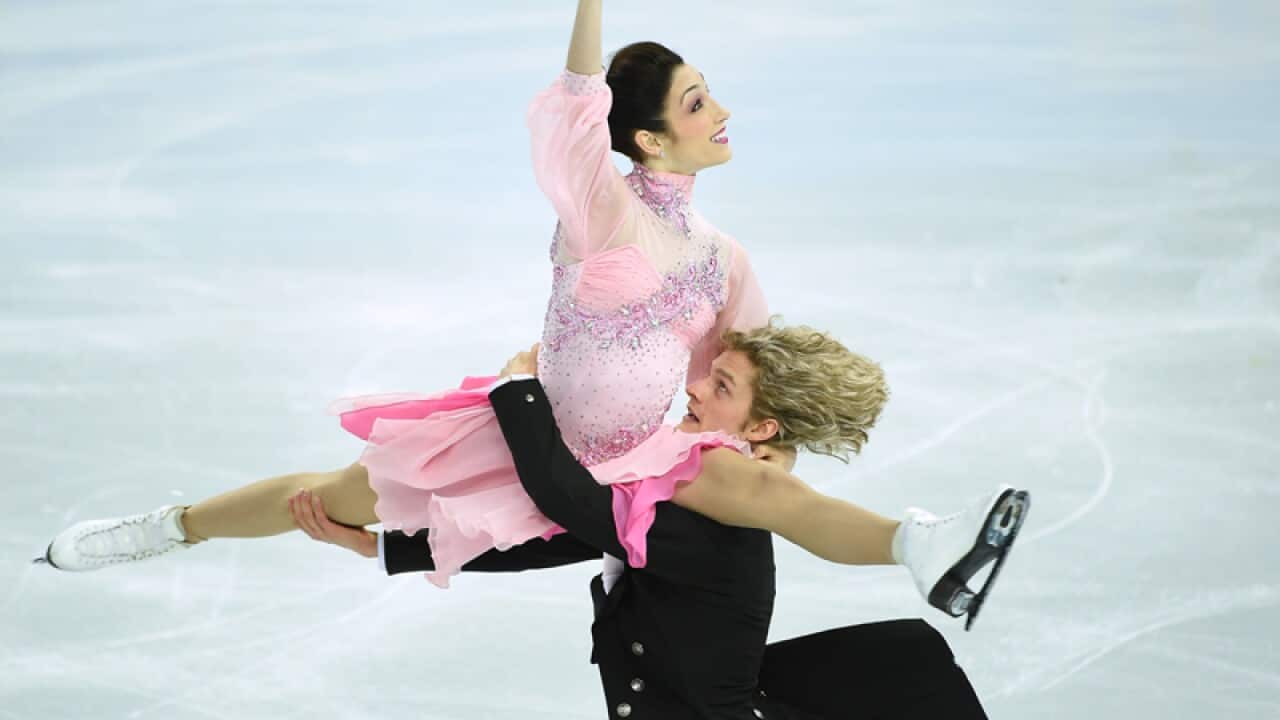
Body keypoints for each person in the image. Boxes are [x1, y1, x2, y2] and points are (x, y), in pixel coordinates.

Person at [38, 0, 1026, 624]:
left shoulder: (724, 260)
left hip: (643, 458)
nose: (719, 111)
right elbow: (573, 97)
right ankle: (170, 526)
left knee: (769, 500)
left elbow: (749, 376)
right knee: (332, 496)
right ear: (644, 137)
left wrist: (770, 451)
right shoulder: (602, 211)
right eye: (693, 102)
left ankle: (919, 547)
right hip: (526, 437)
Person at [287, 349, 999, 719]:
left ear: (758, 429)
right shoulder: (680, 492)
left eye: (720, 386)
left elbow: (558, 495)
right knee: (908, 651)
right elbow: (554, 538)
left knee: (904, 657)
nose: (693, 389)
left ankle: (918, 545)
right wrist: (389, 547)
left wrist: (516, 389)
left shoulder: (710, 508)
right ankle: (919, 546)